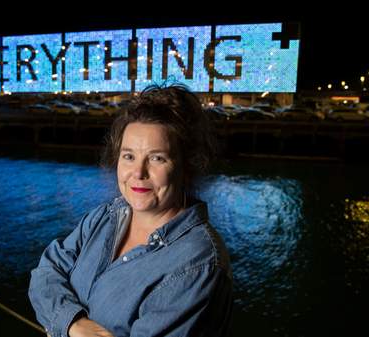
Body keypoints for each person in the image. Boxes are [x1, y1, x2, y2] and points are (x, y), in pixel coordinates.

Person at [28, 84, 233, 337]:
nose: (138, 173)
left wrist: (56, 319)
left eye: (157, 158)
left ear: (187, 165)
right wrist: (75, 325)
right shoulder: (104, 217)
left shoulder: (197, 265)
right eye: (129, 156)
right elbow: (46, 272)